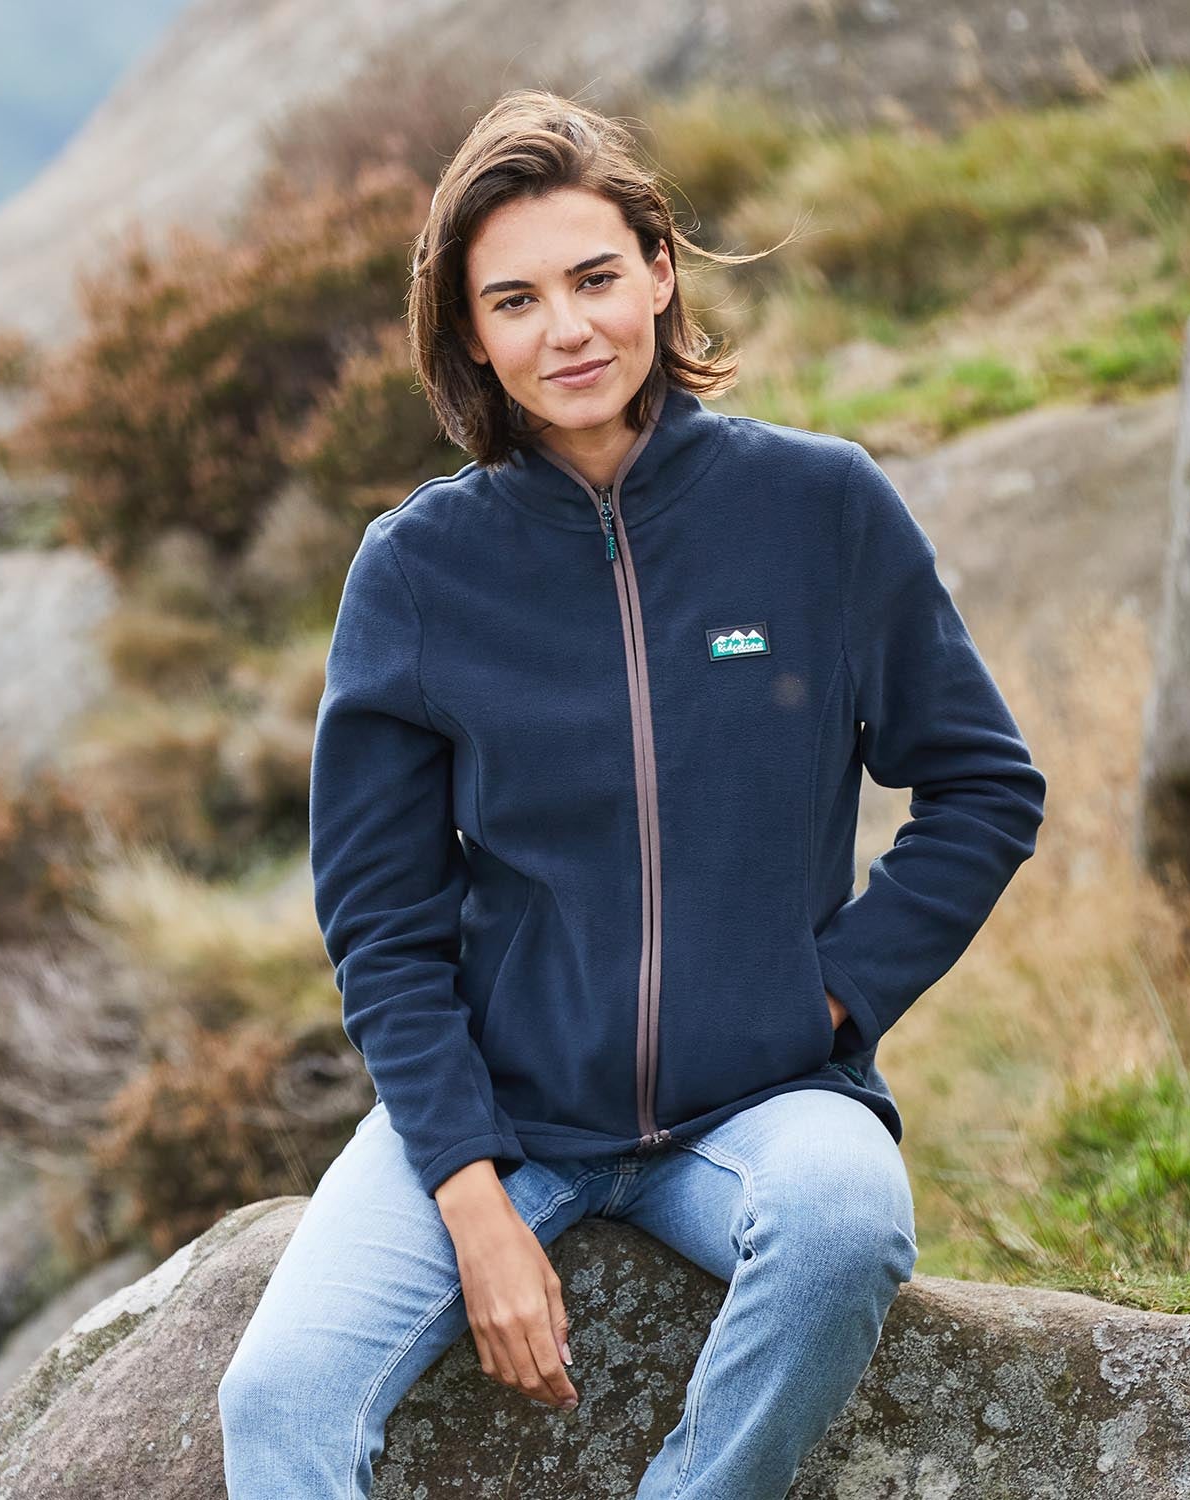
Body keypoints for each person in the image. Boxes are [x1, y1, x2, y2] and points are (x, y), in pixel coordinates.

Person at [217, 88, 1046, 1498]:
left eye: (597, 278)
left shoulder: (818, 509)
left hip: (763, 1105)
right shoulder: (417, 575)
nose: (570, 329)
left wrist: (825, 998)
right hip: (508, 1109)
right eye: (518, 299)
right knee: (277, 1400)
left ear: (662, 271)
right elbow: (382, 927)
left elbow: (982, 784)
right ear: (471, 335)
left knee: (848, 1220)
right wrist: (473, 1204)